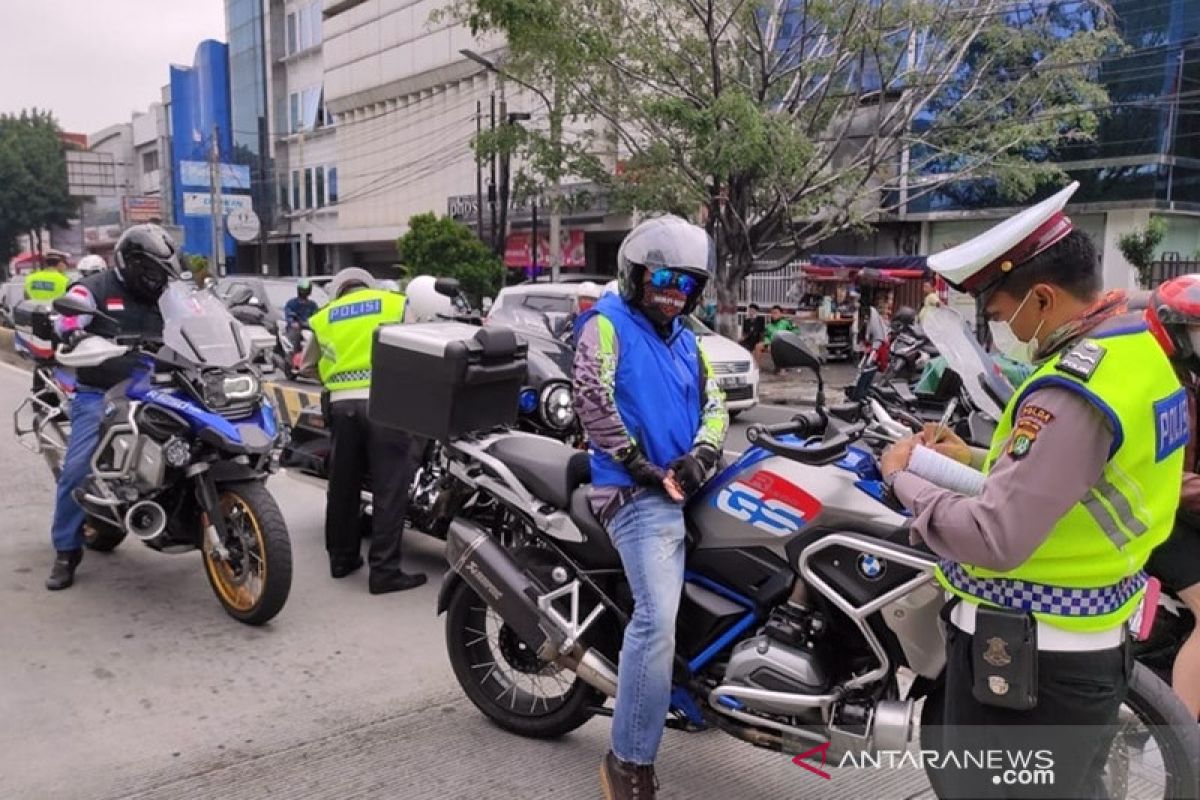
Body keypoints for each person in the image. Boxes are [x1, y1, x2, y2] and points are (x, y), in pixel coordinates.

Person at [879, 182, 1184, 798]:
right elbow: (1083, 479)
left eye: (996, 315)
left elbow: (997, 535)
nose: (997, 331)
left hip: (1030, 663)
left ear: (1042, 297)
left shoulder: (1072, 388)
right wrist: (968, 457)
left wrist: (904, 477)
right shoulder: (1135, 351)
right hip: (1084, 640)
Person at [573, 215, 728, 800]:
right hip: (632, 493)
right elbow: (592, 394)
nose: (672, 293)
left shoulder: (689, 342)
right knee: (655, 619)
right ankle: (628, 761)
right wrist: (637, 463)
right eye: (662, 278)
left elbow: (716, 403)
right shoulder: (605, 324)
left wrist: (704, 453)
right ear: (635, 274)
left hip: (684, 484)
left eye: (685, 283)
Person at [45, 225, 181, 590]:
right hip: (102, 391)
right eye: (151, 272)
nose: (157, 280)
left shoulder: (169, 293)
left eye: (162, 273)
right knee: (77, 468)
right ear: (131, 264)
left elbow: (197, 318)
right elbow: (68, 316)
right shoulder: (93, 289)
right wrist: (73, 331)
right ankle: (66, 549)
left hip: (162, 386)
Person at [301, 267, 425, 595]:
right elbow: (419, 349)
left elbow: (306, 366)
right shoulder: (393, 303)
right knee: (389, 488)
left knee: (343, 485)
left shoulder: (325, 316)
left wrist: (338, 382)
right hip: (385, 406)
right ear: (368, 286)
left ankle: (342, 559)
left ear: (340, 291)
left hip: (343, 408)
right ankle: (384, 571)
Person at [1144, 273, 1200, 719]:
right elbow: (1165, 477)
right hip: (1160, 518)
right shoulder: (1161, 385)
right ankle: (1184, 733)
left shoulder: (1191, 382)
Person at [283, 279, 319, 365]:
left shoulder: (312, 304)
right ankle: (293, 360)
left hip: (309, 327)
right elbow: (289, 315)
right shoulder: (292, 303)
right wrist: (293, 322)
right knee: (295, 337)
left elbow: (317, 315)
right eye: (303, 290)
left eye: (307, 290)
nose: (305, 292)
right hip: (296, 327)